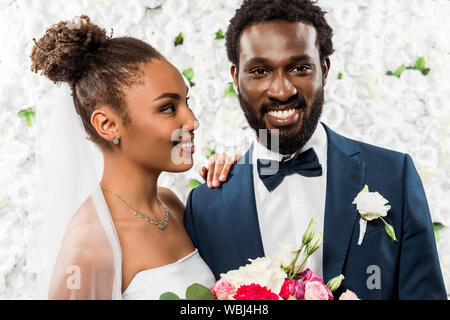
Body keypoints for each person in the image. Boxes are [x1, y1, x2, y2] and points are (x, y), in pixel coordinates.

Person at [184, 0, 447, 299]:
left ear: (324, 69)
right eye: (259, 71)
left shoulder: (394, 175)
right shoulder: (204, 206)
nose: (282, 91)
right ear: (235, 78)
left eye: (299, 68)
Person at [31, 15, 237, 300]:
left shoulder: (172, 206)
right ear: (108, 125)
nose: (191, 121)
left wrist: (230, 185)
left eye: (185, 102)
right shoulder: (88, 246)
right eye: (167, 108)